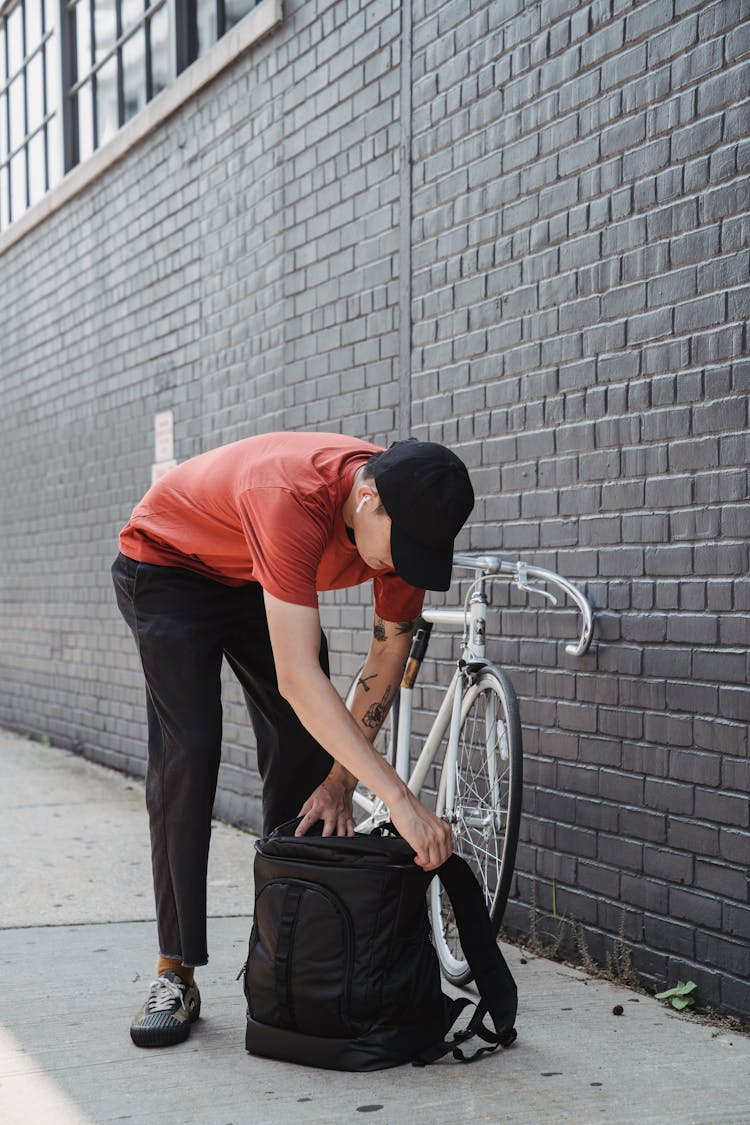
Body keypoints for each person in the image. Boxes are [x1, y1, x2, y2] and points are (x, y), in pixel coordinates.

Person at [112, 430, 474, 1048]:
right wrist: (400, 801)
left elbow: (387, 659)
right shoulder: (292, 496)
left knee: (310, 758)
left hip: (250, 573)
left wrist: (342, 782)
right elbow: (299, 678)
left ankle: (288, 952)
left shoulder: (405, 523)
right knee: (191, 750)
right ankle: (175, 971)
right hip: (167, 562)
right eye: (402, 549)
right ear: (366, 501)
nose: (402, 566)